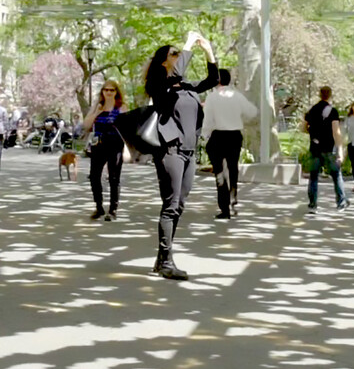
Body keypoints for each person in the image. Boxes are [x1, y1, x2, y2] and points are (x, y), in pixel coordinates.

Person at [144, 31, 219, 280]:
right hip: (170, 150)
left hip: (189, 152)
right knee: (170, 205)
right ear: (164, 61)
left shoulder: (186, 86)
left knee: (180, 205)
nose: (179, 57)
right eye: (174, 54)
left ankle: (160, 259)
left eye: (180, 53)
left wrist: (208, 50)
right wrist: (188, 44)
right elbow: (174, 75)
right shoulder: (158, 85)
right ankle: (166, 262)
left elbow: (212, 79)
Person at [201, 69, 258, 219]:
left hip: (218, 135)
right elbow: (252, 112)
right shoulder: (237, 96)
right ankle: (233, 199)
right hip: (234, 135)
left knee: (219, 171)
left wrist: (204, 136)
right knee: (233, 169)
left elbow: (208, 120)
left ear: (217, 81)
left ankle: (224, 207)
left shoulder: (212, 98)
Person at [82, 80, 126, 221]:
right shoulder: (97, 106)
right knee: (94, 176)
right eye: (106, 90)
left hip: (115, 144)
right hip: (99, 144)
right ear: (102, 92)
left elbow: (128, 127)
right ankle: (99, 207)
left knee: (114, 178)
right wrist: (96, 113)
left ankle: (113, 210)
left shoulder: (121, 107)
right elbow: (86, 125)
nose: (108, 92)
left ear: (116, 92)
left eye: (112, 90)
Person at [302, 86, 349, 214]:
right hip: (329, 147)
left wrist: (313, 133)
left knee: (313, 177)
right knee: (336, 175)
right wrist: (340, 149)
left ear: (319, 94)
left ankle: (312, 204)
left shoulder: (313, 110)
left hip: (315, 147)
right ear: (330, 95)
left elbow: (303, 126)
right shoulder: (332, 111)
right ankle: (341, 202)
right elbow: (336, 131)